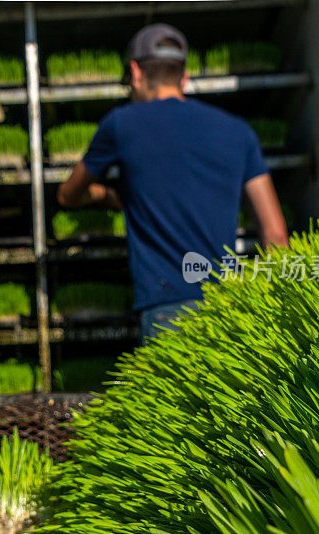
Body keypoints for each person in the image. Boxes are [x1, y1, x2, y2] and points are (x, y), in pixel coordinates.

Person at [57, 24, 289, 345]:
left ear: (136, 72)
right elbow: (275, 235)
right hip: (230, 307)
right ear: (184, 77)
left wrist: (102, 194)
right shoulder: (238, 132)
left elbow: (68, 194)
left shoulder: (121, 124)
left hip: (167, 311)